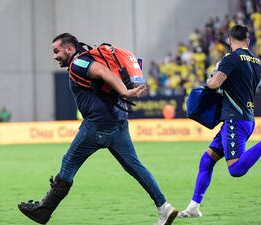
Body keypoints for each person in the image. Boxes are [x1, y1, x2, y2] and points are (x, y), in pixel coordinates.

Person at [18, 33, 178, 225]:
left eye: (56, 51)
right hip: (118, 125)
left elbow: (105, 73)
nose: (54, 56)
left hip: (97, 127)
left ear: (69, 49)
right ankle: (164, 207)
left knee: (68, 163)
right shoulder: (85, 60)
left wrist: (125, 92)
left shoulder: (79, 63)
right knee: (136, 167)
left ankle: (43, 211)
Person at [178, 25, 261, 218]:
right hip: (245, 119)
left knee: (235, 169)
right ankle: (193, 206)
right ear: (248, 41)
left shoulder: (231, 58)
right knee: (207, 160)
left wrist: (212, 76)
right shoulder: (257, 62)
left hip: (235, 120)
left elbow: (215, 83)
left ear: (230, 40)